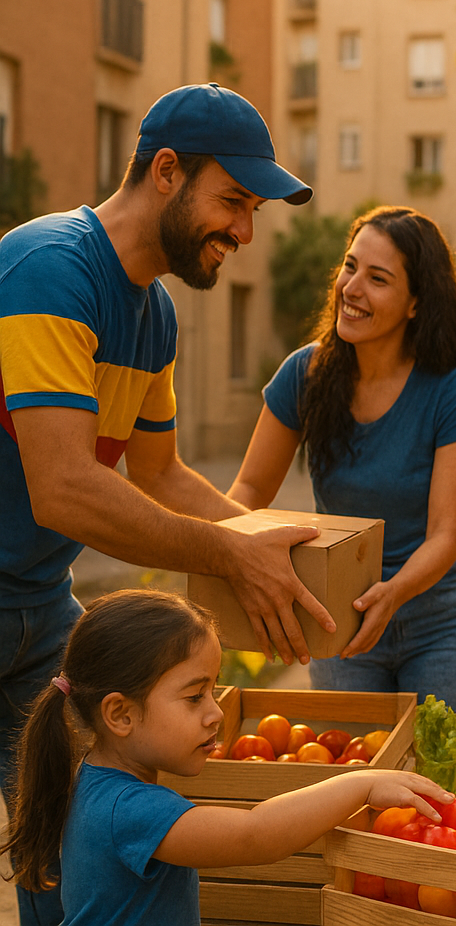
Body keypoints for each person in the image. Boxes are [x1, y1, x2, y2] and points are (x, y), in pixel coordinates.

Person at [0, 83, 332, 926]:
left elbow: (159, 472)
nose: (245, 232)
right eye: (232, 202)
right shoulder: (50, 270)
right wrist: (228, 554)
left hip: (38, 607)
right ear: (167, 172)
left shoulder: (154, 316)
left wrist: (280, 550)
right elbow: (65, 485)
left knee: (61, 856)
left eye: (252, 210)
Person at [0, 589, 452, 926]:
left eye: (212, 691)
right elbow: (255, 837)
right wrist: (361, 782)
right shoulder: (131, 811)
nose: (215, 713)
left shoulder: (96, 777)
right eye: (195, 697)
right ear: (121, 714)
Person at [227, 206, 456, 718]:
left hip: (439, 624)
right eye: (350, 266)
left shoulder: (449, 389)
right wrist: (224, 550)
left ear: (415, 303)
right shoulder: (303, 374)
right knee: (351, 778)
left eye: (377, 279)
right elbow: (248, 489)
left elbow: (445, 535)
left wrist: (393, 593)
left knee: (429, 782)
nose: (352, 288)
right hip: (340, 616)